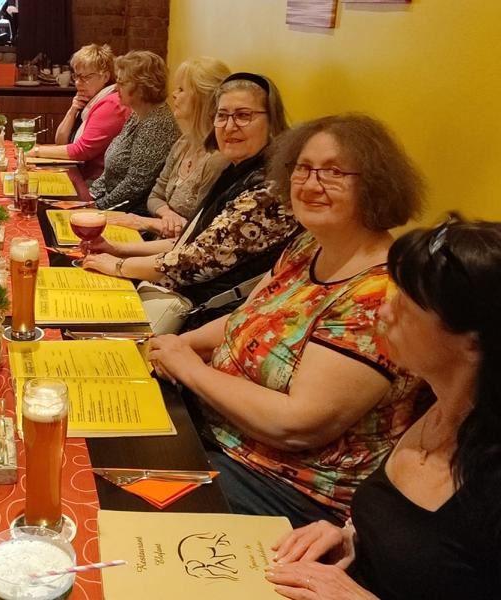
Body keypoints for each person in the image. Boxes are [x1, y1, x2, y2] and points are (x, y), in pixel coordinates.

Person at [148, 114, 424, 526]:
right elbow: (246, 318)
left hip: (286, 489)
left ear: (376, 184)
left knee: (114, 502)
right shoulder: (308, 245)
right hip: (217, 433)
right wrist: (178, 346)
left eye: (334, 172)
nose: (311, 184)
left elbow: (296, 426)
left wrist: (189, 368)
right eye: (303, 168)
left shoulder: (379, 294)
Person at [266, 217, 501, 600]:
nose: (384, 312)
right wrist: (350, 537)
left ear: (473, 343)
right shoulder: (436, 404)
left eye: (406, 306)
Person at [84, 73, 298, 326]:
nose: (230, 127)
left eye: (243, 115)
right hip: (183, 295)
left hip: (209, 317)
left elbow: (193, 261)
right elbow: (189, 242)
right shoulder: (237, 170)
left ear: (271, 121)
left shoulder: (268, 189)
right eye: (222, 116)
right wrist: (117, 249)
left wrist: (119, 265)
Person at [105, 56, 231, 238]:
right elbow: (155, 195)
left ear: (203, 98)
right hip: (158, 238)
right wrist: (167, 214)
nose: (174, 94)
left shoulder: (218, 159)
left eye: (181, 89)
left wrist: (147, 223)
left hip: (172, 247)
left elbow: (200, 234)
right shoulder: (183, 143)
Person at [89, 50, 181, 215]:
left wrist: (96, 207)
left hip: (133, 214)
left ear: (142, 87)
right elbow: (110, 173)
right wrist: (91, 195)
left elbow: (134, 185)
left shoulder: (157, 125)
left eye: (122, 83)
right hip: (112, 205)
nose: (116, 88)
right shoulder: (138, 114)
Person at [28, 43, 130, 182]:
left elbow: (82, 151)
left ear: (105, 77)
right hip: (80, 172)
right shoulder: (90, 99)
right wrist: (72, 110)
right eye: (76, 76)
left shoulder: (111, 103)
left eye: (86, 77)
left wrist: (35, 151)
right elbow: (60, 141)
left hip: (95, 181)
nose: (77, 83)